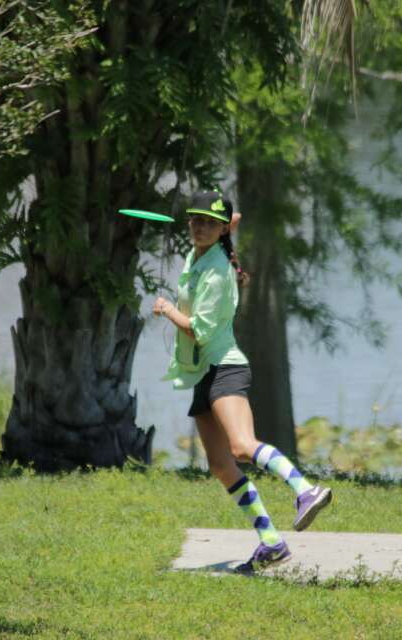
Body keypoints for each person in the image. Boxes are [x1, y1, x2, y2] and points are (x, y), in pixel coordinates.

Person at [154, 189, 332, 575]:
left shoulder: (217, 273)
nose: (199, 227)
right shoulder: (202, 251)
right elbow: (229, 222)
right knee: (220, 465)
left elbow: (198, 331)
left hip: (225, 368)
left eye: (209, 222)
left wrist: (167, 309)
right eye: (195, 220)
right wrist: (227, 222)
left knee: (241, 446)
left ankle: (306, 490)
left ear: (219, 231)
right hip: (204, 372)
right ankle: (271, 543)